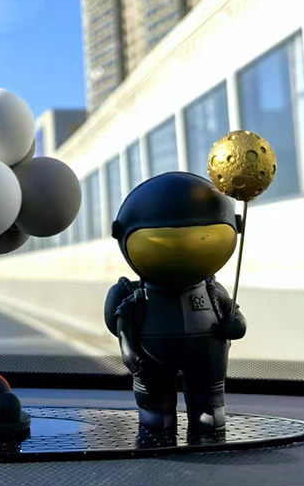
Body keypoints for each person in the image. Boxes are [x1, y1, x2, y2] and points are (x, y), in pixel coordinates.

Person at [104, 172, 246, 432]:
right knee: (155, 406)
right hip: (155, 360)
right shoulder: (138, 297)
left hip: (202, 358)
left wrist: (236, 325)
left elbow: (235, 317)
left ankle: (206, 410)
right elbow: (123, 323)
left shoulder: (213, 291)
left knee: (208, 402)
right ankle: (157, 412)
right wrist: (129, 352)